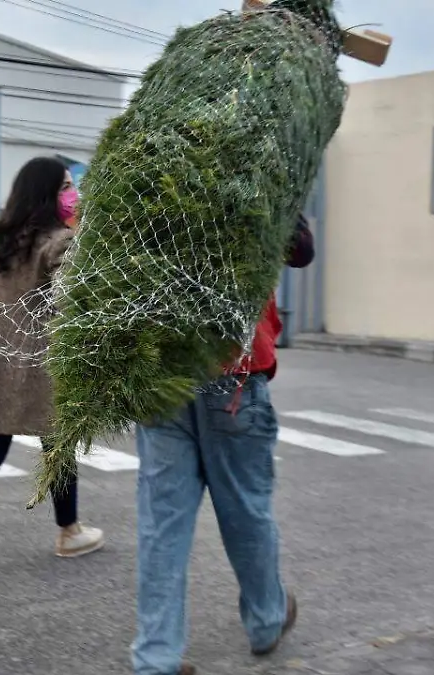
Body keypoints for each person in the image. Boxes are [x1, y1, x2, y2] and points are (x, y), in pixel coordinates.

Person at [130, 214, 315, 675]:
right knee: (246, 511)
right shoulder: (251, 168)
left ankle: (156, 659)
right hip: (230, 375)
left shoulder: (143, 179)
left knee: (162, 525)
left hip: (160, 374)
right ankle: (267, 620)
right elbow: (301, 249)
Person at [0, 156, 104, 583]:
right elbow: (71, 303)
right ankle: (69, 532)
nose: (73, 192)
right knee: (58, 446)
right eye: (66, 184)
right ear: (48, 191)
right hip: (39, 355)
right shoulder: (60, 242)